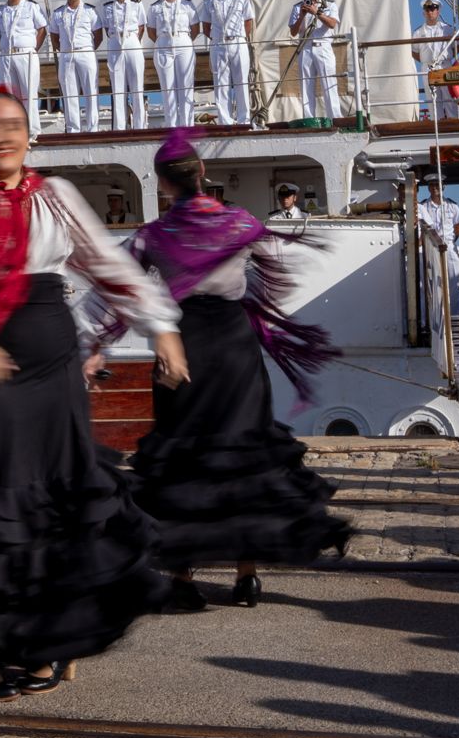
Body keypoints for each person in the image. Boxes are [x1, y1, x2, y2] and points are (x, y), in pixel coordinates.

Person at [0, 87, 186, 699]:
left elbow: (109, 265)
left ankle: (49, 638)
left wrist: (162, 328)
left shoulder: (56, 195)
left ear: (30, 132)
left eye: (15, 125)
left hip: (52, 366)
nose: (4, 136)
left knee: (55, 500)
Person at [118, 129, 350, 612]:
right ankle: (247, 577)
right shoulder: (240, 221)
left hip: (182, 345)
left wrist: (106, 340)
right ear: (202, 173)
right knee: (245, 449)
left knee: (183, 456)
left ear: (162, 183)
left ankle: (183, 577)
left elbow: (121, 283)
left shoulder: (154, 234)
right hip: (234, 342)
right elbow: (268, 274)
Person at [199, 0, 256, 125]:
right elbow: (206, 26)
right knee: (221, 83)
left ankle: (244, 119)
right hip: (218, 44)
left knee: (241, 81)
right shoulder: (209, 1)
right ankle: (225, 120)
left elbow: (248, 21)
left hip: (237, 42)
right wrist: (218, 40)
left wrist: (239, 38)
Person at [0, 0, 47, 139]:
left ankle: (32, 131)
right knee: (9, 96)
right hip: (7, 55)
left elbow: (42, 28)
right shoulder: (0, 12)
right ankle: (13, 131)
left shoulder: (31, 7)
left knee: (29, 93)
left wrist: (33, 48)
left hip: (26, 54)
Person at [49, 0, 100, 133]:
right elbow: (54, 36)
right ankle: (73, 129)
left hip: (85, 52)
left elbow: (98, 35)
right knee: (69, 93)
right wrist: (63, 50)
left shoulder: (90, 11)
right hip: (66, 54)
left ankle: (93, 128)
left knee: (91, 90)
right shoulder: (58, 14)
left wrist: (88, 49)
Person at [288, 0, 343, 120]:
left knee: (329, 84)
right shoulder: (298, 7)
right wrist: (301, 15)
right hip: (305, 47)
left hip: (323, 46)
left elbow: (331, 24)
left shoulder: (330, 6)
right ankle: (309, 119)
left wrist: (316, 12)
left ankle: (335, 118)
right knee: (306, 86)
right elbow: (293, 32)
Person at [147, 0, 198, 128]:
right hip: (163, 43)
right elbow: (151, 31)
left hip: (183, 41)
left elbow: (195, 28)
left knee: (186, 86)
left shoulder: (187, 5)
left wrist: (182, 41)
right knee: (167, 87)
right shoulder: (155, 7)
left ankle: (187, 125)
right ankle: (172, 125)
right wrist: (164, 42)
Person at [100, 0, 148, 130]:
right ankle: (119, 127)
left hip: (131, 40)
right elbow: (107, 28)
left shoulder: (137, 4)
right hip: (115, 42)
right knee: (117, 87)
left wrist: (131, 40)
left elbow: (141, 26)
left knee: (137, 86)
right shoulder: (107, 7)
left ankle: (140, 125)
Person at [417, 175, 459, 317]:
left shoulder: (452, 205)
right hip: (431, 247)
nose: (434, 187)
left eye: (437, 184)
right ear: (428, 188)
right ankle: (435, 319)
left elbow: (458, 225)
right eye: (431, 185)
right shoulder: (423, 206)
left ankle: (457, 318)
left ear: (443, 186)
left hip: (448, 246)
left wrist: (451, 242)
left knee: (453, 283)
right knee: (432, 285)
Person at [412, 0, 455, 119]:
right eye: (428, 9)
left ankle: (454, 121)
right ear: (423, 12)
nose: (430, 12)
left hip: (445, 65)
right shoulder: (418, 32)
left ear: (438, 11)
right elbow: (414, 52)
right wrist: (425, 61)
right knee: (432, 98)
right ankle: (437, 123)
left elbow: (458, 47)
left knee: (449, 96)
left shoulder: (448, 29)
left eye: (433, 9)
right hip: (428, 67)